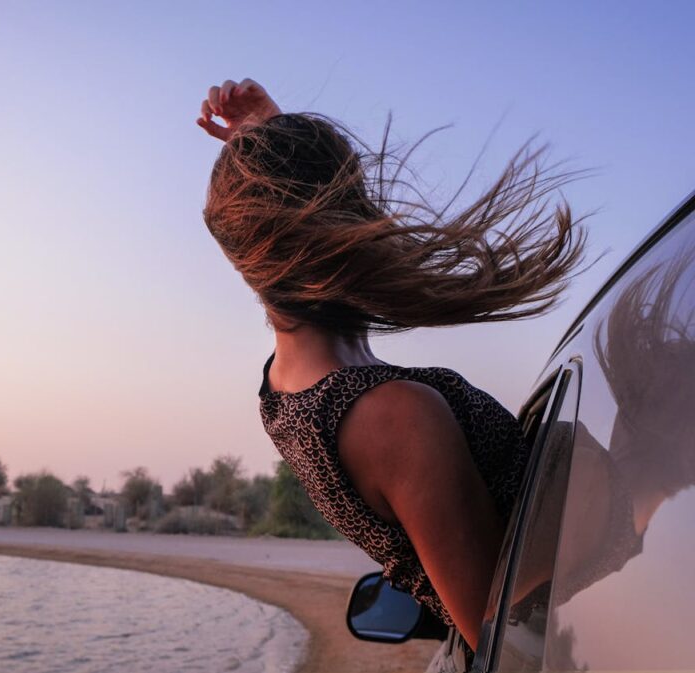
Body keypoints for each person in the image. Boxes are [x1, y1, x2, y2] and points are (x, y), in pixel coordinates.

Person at [196, 77, 592, 670]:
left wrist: (267, 143)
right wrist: (629, 501)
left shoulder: (285, 392)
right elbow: (501, 631)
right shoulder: (393, 415)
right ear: (340, 217)